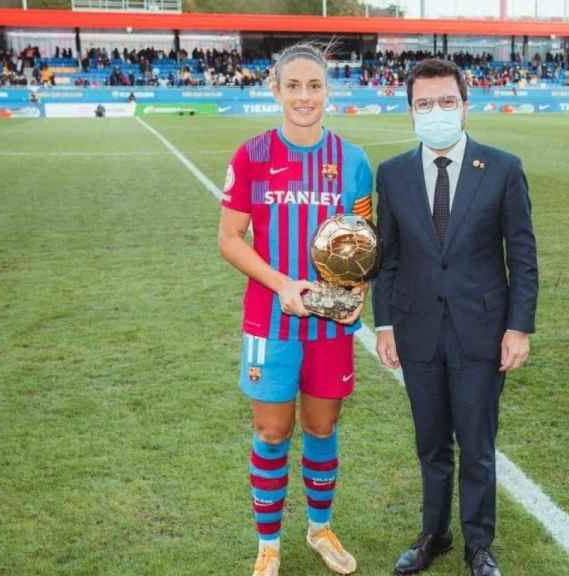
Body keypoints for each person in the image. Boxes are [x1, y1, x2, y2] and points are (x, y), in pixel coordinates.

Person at [372, 58, 538, 576]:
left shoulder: (504, 168)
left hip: (482, 333)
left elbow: (523, 255)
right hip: (417, 330)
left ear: (465, 105)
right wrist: (383, 324)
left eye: (446, 101)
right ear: (410, 112)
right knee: (431, 443)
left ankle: (478, 543)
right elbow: (389, 257)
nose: (436, 111)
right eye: (424, 103)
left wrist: (518, 327)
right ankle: (434, 534)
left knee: (477, 443)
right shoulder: (393, 174)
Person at [217, 42, 373, 576]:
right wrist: (283, 284)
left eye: (314, 86)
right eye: (293, 86)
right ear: (276, 90)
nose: (304, 96)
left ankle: (320, 527)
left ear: (328, 91)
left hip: (330, 327)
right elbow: (230, 239)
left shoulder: (353, 162)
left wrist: (356, 298)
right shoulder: (252, 154)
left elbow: (363, 243)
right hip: (271, 320)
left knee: (323, 428)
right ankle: (269, 544)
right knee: (272, 432)